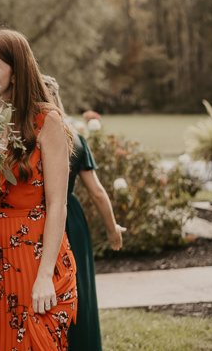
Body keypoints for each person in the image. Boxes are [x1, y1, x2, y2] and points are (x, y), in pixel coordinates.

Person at [0, 29, 78, 351]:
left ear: (16, 72)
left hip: (37, 255)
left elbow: (58, 204)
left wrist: (44, 277)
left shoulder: (46, 120)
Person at [42, 75, 124, 351]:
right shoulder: (74, 139)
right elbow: (98, 192)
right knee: (78, 290)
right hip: (70, 216)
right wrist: (113, 230)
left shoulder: (30, 137)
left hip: (38, 217)